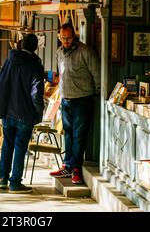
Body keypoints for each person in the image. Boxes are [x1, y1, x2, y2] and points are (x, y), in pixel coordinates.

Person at [0, 33, 44, 194]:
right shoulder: (35, 65)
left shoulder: (9, 60)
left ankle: (3, 178)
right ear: (35, 47)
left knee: (7, 144)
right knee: (20, 147)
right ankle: (15, 183)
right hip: (25, 114)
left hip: (7, 112)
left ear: (21, 44)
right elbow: (36, 93)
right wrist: (39, 112)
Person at [49, 23, 101, 185]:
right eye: (63, 38)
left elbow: (97, 75)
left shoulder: (85, 52)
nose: (65, 41)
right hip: (66, 100)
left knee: (79, 135)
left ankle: (76, 168)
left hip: (83, 99)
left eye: (69, 38)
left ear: (75, 36)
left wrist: (98, 95)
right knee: (68, 133)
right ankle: (67, 164)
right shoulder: (59, 52)